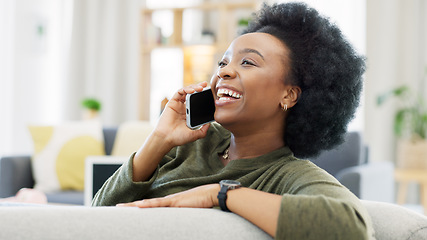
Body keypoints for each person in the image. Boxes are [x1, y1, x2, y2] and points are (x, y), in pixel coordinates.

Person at [93, 2, 373, 239]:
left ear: (289, 94)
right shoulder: (191, 143)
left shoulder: (288, 175)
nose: (224, 73)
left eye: (248, 62)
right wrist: (158, 140)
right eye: (223, 63)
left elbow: (353, 228)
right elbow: (95, 218)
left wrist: (221, 195)